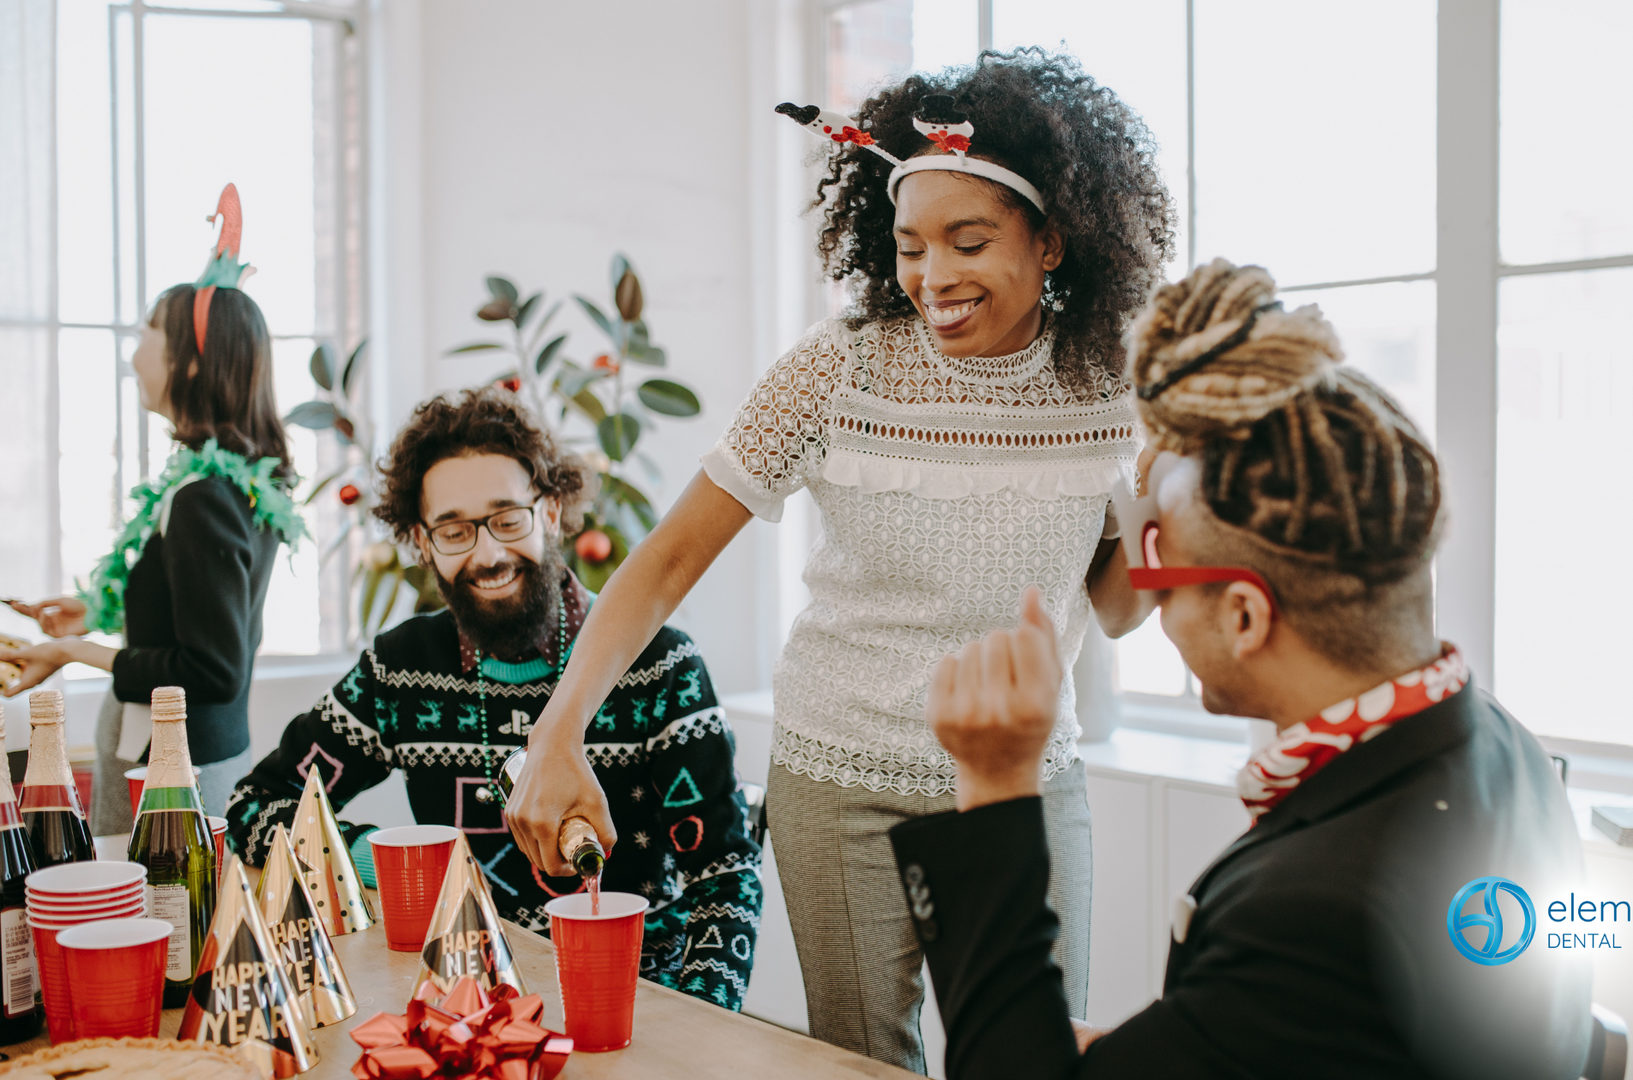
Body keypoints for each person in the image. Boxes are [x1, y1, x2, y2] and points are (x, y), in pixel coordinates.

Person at [503, 49, 1173, 1070]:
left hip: (1031, 775)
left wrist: (1170, 497)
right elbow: (669, 559)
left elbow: (1115, 612)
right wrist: (559, 733)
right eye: (910, 246)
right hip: (840, 776)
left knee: (1035, 1060)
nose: (934, 277)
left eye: (969, 241)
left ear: (1052, 239)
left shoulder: (1112, 380)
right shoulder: (837, 368)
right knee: (865, 1064)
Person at [889, 260, 1593, 1079]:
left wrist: (996, 785)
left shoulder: (1314, 914)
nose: (1150, 613)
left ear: (1246, 616)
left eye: (1163, 576)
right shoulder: (1501, 748)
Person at [224, 388, 762, 1010]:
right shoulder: (400, 668)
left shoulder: (662, 665)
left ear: (552, 513)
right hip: (466, 998)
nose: (488, 554)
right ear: (422, 544)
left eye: (508, 520)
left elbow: (726, 876)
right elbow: (257, 804)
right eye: (454, 531)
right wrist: (394, 862)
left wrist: (694, 1021)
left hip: (639, 992)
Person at [0, 186, 303, 832]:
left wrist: (74, 652)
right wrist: (92, 611)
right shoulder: (234, 486)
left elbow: (210, 670)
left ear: (190, 367)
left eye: (146, 332)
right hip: (176, 755)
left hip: (173, 770)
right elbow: (196, 608)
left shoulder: (203, 499)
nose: (132, 351)